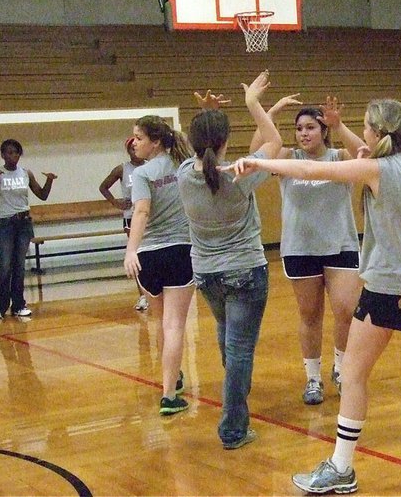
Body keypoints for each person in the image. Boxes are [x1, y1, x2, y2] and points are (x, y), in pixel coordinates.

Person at [230, 98, 401, 493]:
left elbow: (308, 167)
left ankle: (341, 468)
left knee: (352, 376)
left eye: (367, 126)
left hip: (388, 291)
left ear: (379, 132)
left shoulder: (377, 169)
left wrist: (259, 163)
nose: (363, 132)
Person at [176, 71, 282, 449]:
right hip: (243, 271)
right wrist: (252, 102)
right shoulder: (241, 174)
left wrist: (205, 115)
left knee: (229, 340)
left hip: (206, 274)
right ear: (224, 141)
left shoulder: (183, 176)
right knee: (238, 349)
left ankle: (237, 403)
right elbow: (274, 141)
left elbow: (196, 153)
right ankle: (233, 427)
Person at [250, 95, 363, 405]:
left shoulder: (339, 157)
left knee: (346, 310)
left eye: (311, 127)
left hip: (340, 245)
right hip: (300, 248)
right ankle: (312, 378)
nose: (304, 133)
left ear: (322, 130)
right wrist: (268, 112)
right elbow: (256, 152)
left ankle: (340, 369)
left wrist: (339, 125)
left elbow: (365, 154)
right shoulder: (288, 157)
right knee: (310, 314)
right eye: (299, 128)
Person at [123, 115, 194, 416]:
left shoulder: (142, 174)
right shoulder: (185, 166)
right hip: (180, 251)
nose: (133, 142)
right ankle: (169, 395)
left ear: (155, 142)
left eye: (138, 137)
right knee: (174, 324)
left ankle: (172, 377)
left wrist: (131, 251)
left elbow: (140, 211)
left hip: (149, 256)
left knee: (163, 321)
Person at [0, 139, 58, 325]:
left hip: (24, 223)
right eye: (8, 153)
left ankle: (19, 304)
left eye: (16, 152)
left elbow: (42, 195)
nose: (12, 156)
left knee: (19, 266)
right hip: (6, 224)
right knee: (5, 265)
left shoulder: (26, 173)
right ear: (2, 155)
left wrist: (49, 180)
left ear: (20, 155)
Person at [98, 137, 149, 311]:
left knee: (151, 253)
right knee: (137, 255)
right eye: (132, 149)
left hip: (151, 216)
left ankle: (154, 291)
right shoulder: (122, 169)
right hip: (131, 216)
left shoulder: (151, 166)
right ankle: (142, 295)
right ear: (128, 151)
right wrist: (116, 203)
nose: (135, 152)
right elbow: (103, 187)